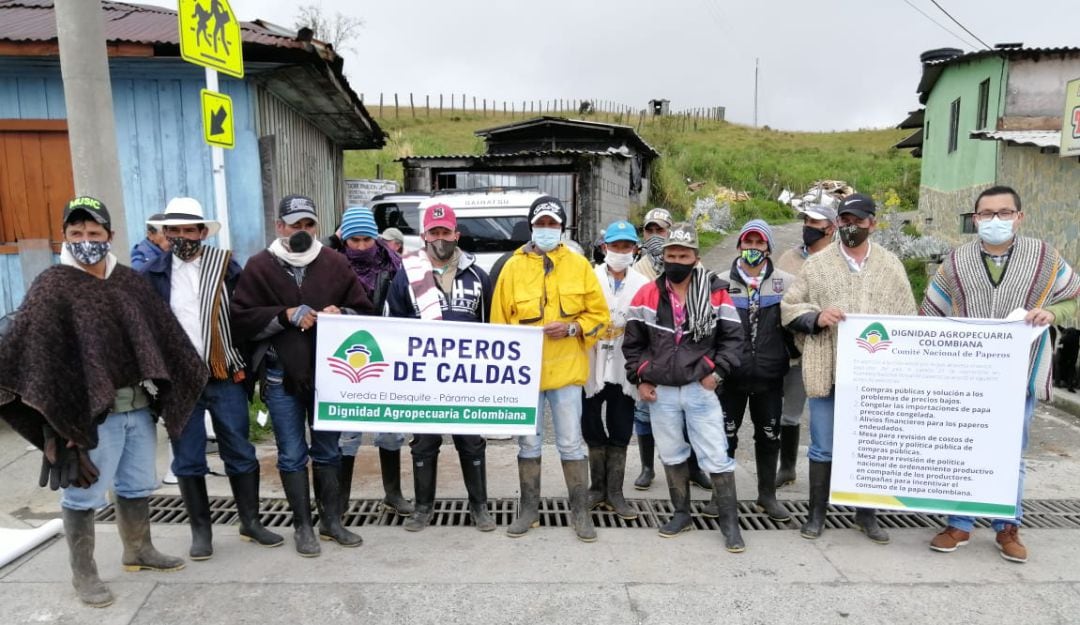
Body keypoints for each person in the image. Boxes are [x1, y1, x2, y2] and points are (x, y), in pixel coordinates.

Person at [0, 196, 207, 607]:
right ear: (65, 236)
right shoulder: (52, 287)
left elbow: (162, 338)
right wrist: (55, 427)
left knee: (136, 484)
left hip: (137, 410)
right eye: (76, 233)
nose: (85, 240)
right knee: (83, 495)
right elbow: (28, 358)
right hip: (92, 419)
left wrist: (171, 388)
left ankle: (138, 549)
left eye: (94, 233)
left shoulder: (129, 282)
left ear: (110, 236)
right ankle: (85, 574)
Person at [921, 185, 1080, 563]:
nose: (995, 220)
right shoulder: (956, 262)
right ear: (975, 219)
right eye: (986, 214)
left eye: (1004, 213)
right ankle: (959, 523)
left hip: (1018, 372)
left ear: (1019, 217)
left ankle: (1007, 524)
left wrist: (1053, 314)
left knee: (1011, 451)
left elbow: (1074, 296)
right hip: (966, 377)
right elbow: (931, 314)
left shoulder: (1044, 257)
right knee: (963, 448)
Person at [142, 198, 283, 560]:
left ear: (203, 232)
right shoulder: (152, 274)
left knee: (238, 448)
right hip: (179, 381)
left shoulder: (227, 269)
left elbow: (246, 317)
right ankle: (200, 531)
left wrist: (247, 367)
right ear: (165, 233)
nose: (182, 236)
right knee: (188, 458)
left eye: (189, 230)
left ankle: (250, 522)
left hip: (223, 374)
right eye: (174, 230)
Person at [231, 194, 370, 557]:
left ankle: (331, 521)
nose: (302, 231)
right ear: (280, 227)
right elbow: (241, 320)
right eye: (295, 225)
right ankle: (302, 526)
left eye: (309, 224)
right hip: (281, 377)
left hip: (329, 377)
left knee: (328, 450)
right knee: (291, 454)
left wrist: (344, 314)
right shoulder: (259, 266)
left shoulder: (335, 263)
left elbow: (364, 310)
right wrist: (283, 315)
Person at [781, 193, 915, 544]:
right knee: (823, 446)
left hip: (875, 378)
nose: (850, 226)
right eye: (844, 220)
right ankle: (816, 514)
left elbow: (908, 318)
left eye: (857, 220)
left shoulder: (890, 266)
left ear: (873, 222)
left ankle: (866, 514)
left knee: (869, 447)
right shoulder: (819, 264)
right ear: (836, 223)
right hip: (828, 368)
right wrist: (816, 317)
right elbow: (789, 306)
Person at [492, 195, 609, 542]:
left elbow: (600, 317)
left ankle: (580, 511)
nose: (546, 230)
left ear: (562, 228)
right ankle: (528, 509)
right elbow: (498, 323)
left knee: (572, 443)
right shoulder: (511, 268)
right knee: (528, 443)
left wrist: (572, 327)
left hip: (566, 372)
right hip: (524, 376)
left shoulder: (579, 266)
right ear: (531, 226)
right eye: (541, 224)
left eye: (552, 224)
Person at [622, 223, 745, 551]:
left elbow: (734, 338)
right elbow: (633, 343)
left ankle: (730, 523)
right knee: (672, 452)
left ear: (696, 257)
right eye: (671, 254)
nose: (676, 260)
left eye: (683, 255)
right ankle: (681, 514)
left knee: (717, 455)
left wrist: (717, 372)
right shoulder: (647, 293)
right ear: (663, 256)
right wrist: (642, 377)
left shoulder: (715, 291)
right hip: (661, 391)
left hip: (699, 388)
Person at [386, 203, 495, 532]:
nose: (440, 238)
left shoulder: (478, 276)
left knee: (471, 442)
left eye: (445, 232)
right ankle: (422, 509)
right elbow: (392, 325)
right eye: (434, 232)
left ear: (456, 234)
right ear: (423, 236)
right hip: (423, 381)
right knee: (424, 442)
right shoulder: (408, 274)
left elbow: (493, 327)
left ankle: (480, 508)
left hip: (466, 380)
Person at [333, 206, 412, 516]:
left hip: (388, 358)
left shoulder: (395, 266)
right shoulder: (332, 266)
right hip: (346, 358)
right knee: (347, 431)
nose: (362, 246)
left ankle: (393, 493)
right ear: (344, 240)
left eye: (367, 239)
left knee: (391, 429)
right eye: (355, 240)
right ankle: (339, 501)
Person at [629, 207, 713, 493]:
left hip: (687, 364)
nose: (654, 236)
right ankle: (647, 467)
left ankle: (693, 469)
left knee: (688, 420)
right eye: (649, 230)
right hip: (654, 359)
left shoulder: (700, 277)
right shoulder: (639, 268)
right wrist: (642, 371)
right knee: (644, 415)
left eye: (659, 230)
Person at [716, 219, 794, 523]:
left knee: (769, 435)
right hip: (731, 376)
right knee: (724, 437)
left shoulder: (786, 283)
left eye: (759, 243)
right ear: (739, 246)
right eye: (747, 242)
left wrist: (788, 356)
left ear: (769, 248)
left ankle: (767, 496)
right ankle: (720, 497)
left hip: (769, 377)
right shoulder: (720, 281)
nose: (752, 248)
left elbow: (795, 322)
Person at [582, 221, 650, 520]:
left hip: (625, 364)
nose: (621, 252)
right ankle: (596, 488)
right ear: (604, 247)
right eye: (615, 246)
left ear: (635, 249)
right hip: (592, 361)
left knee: (621, 425)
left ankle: (616, 492)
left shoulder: (643, 284)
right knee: (591, 423)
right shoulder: (589, 278)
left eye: (627, 246)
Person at [772, 204, 838, 488]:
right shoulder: (789, 258)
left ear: (831, 228)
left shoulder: (838, 261)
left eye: (816, 222)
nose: (808, 226)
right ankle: (787, 468)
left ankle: (839, 475)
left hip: (828, 347)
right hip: (791, 348)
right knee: (789, 412)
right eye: (807, 221)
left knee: (831, 414)